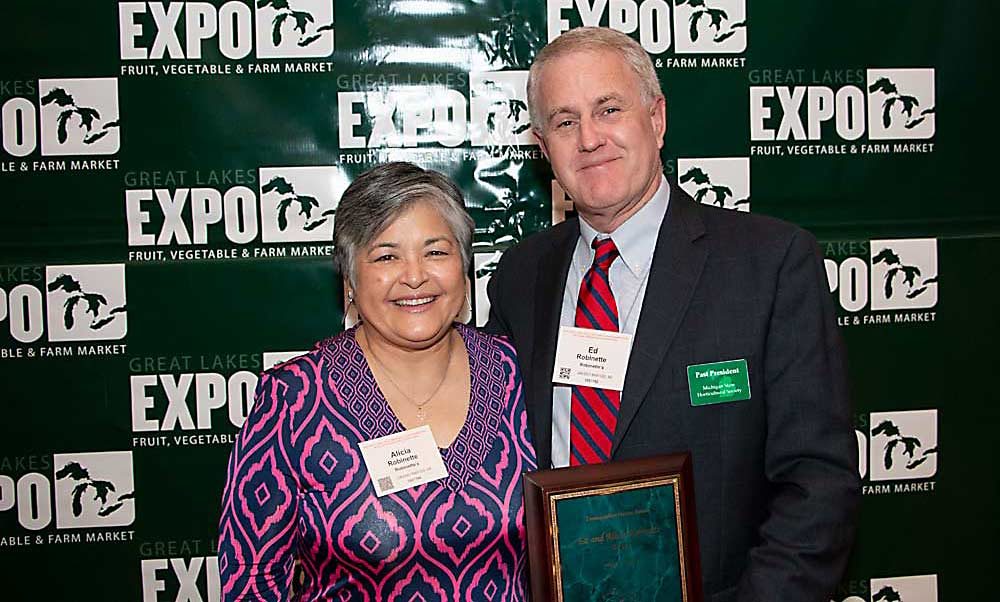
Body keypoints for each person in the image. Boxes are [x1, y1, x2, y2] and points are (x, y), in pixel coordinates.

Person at [485, 26, 860, 602]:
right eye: (564, 122)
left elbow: (817, 484)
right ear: (543, 146)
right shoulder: (520, 277)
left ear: (656, 118)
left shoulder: (769, 263)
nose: (589, 139)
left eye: (609, 109)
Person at [219, 162, 536, 600]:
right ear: (349, 279)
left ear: (465, 268)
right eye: (387, 256)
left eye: (436, 252)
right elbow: (252, 579)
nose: (414, 275)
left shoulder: (519, 373)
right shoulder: (293, 399)